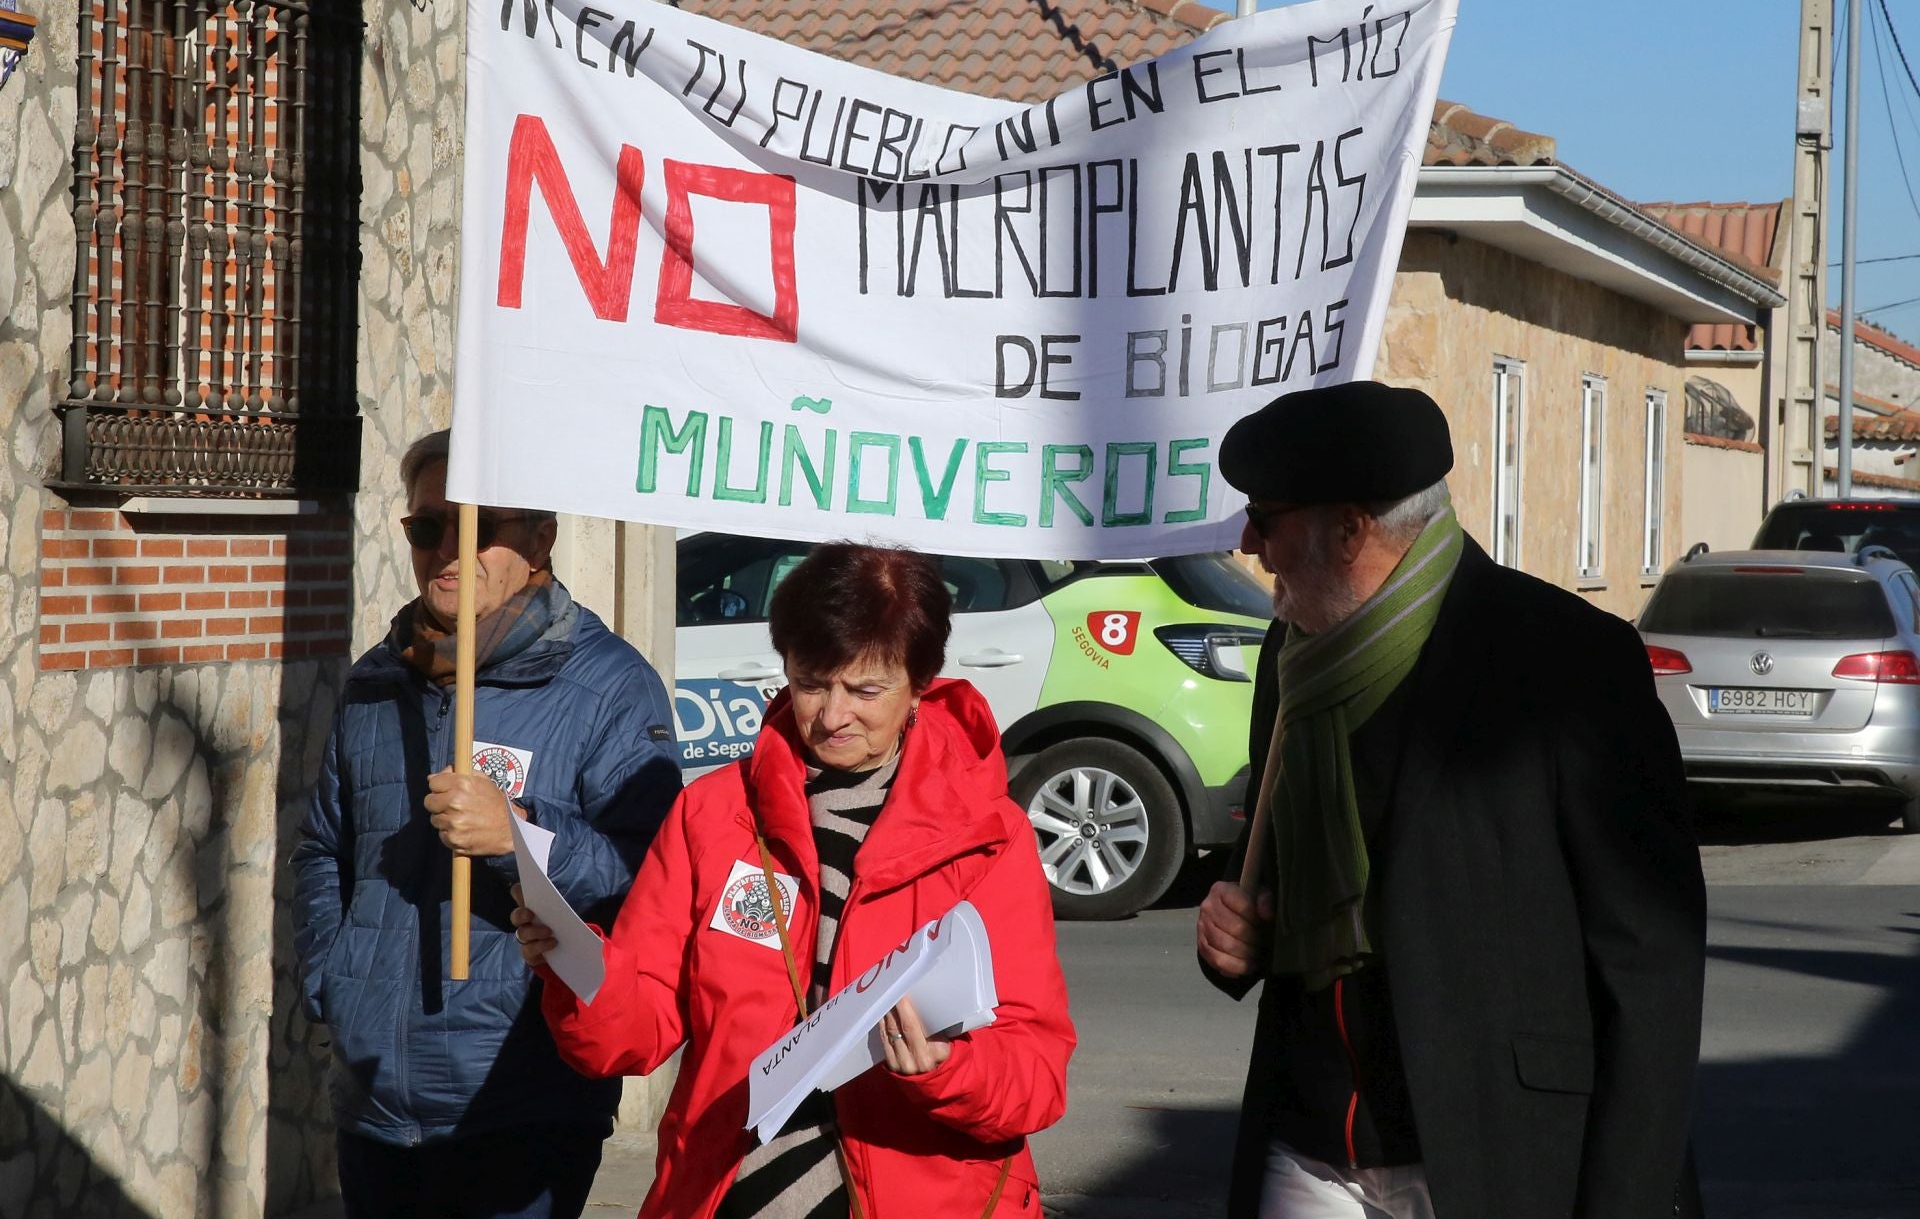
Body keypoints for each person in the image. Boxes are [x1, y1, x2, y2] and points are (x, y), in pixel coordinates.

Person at [1195, 382, 1706, 1219]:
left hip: (1495, 1157)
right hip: (1310, 1149)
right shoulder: (1293, 657)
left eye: (1269, 515)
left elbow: (1651, 964)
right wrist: (1242, 939)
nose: (1252, 542)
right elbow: (1280, 887)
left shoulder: (1568, 664)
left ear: (1351, 528)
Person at [512, 543, 1075, 1219]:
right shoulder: (713, 812)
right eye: (811, 682)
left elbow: (1035, 1073)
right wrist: (580, 970)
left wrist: (947, 1070)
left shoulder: (988, 836)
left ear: (920, 682)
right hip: (733, 1192)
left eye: (866, 690)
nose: (834, 715)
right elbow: (638, 1028)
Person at [292, 429, 682, 1219]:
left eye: (477, 529)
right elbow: (322, 848)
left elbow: (650, 872)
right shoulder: (377, 680)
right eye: (427, 526)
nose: (447, 550)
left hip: (520, 1102)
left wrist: (520, 838)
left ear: (540, 540)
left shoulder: (611, 688)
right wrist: (334, 979)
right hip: (374, 1101)